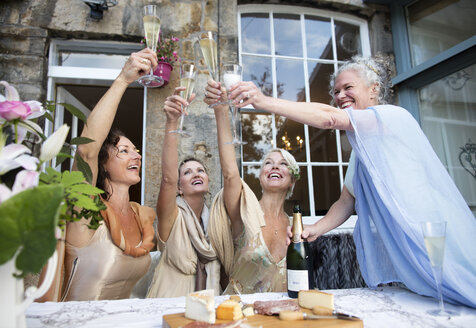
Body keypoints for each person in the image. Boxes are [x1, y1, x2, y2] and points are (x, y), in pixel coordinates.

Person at [226, 54, 476, 308]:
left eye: (348, 88)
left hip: (435, 243)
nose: (340, 96)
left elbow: (330, 118)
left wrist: (263, 100)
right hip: (411, 258)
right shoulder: (361, 151)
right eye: (336, 91)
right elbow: (347, 201)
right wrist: (317, 228)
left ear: (374, 90)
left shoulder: (392, 117)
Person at [45, 48, 157, 301]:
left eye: (136, 151)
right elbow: (86, 151)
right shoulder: (85, 210)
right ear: (103, 164)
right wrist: (123, 80)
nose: (136, 156)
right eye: (124, 151)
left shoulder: (140, 216)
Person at [203, 82, 300, 294]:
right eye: (268, 162)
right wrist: (221, 110)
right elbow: (230, 173)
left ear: (292, 180)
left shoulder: (296, 227)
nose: (275, 165)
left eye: (283, 164)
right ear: (261, 175)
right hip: (238, 317)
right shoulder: (244, 210)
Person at [147, 87, 222, 298]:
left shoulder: (215, 223)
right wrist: (172, 123)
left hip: (207, 312)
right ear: (179, 188)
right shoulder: (172, 216)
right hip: (167, 309)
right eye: (187, 172)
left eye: (201, 170)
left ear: (207, 180)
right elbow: (168, 179)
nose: (195, 174)